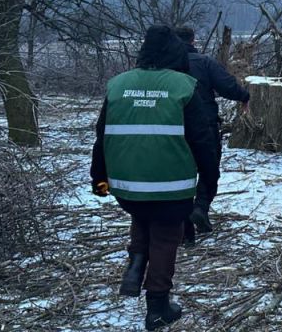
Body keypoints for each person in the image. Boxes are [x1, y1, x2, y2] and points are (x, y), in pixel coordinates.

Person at [90, 25, 218, 331]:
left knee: (145, 211)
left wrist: (99, 180)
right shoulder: (184, 86)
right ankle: (158, 306)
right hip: (171, 186)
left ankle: (135, 264)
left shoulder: (118, 84)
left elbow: (101, 134)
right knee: (165, 235)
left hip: (126, 186)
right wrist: (208, 185)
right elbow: (203, 140)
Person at [174, 26, 250, 240]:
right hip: (204, 125)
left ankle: (185, 224)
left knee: (180, 173)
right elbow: (227, 86)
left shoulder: (165, 66)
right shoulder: (204, 62)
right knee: (209, 169)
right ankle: (201, 207)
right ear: (193, 40)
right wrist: (244, 96)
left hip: (173, 127)